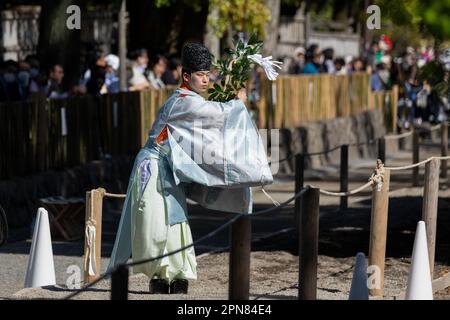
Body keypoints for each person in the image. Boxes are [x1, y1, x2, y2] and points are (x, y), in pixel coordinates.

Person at [107, 42, 273, 294]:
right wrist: (236, 103)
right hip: (152, 167)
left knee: (176, 220)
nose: (206, 80)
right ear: (186, 76)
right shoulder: (183, 102)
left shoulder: (191, 100)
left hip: (168, 168)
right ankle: (160, 275)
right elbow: (215, 115)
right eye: (200, 75)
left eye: (208, 75)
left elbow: (208, 133)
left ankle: (177, 273)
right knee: (154, 222)